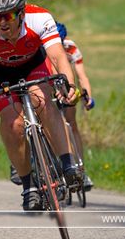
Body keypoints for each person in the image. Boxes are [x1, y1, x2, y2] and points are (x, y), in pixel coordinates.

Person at [0, 0, 81, 210]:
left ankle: (68, 163)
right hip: (0, 74)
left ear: (21, 12)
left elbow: (58, 57)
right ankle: (28, 186)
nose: (1, 22)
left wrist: (68, 84)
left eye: (7, 15)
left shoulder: (39, 18)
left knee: (43, 102)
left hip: (33, 65)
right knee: (13, 123)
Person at [56, 21, 95, 191]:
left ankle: (80, 169)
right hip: (49, 87)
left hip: (66, 86)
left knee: (71, 124)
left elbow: (82, 76)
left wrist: (88, 96)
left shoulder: (70, 47)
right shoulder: (41, 47)